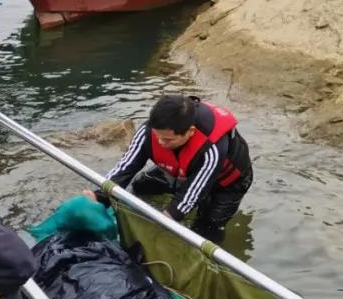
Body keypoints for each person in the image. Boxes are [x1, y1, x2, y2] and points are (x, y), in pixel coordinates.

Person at [103, 93, 252, 243]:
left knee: (206, 229)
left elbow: (194, 191)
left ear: (190, 132)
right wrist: (100, 195)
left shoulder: (212, 148)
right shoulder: (148, 131)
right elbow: (125, 167)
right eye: (157, 136)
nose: (161, 142)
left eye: (168, 140)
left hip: (226, 184)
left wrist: (168, 217)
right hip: (185, 171)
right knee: (141, 186)